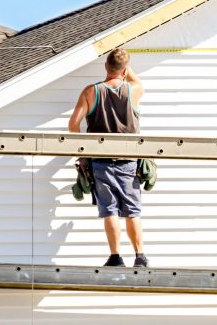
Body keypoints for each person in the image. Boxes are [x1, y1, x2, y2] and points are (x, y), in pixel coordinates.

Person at [68, 48, 148, 268]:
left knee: (109, 209)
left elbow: (73, 124)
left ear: (105, 67)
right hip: (128, 160)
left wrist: (83, 151)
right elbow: (136, 80)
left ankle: (115, 256)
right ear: (124, 70)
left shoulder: (90, 92)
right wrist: (125, 69)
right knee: (132, 210)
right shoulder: (134, 90)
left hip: (100, 160)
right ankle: (139, 256)